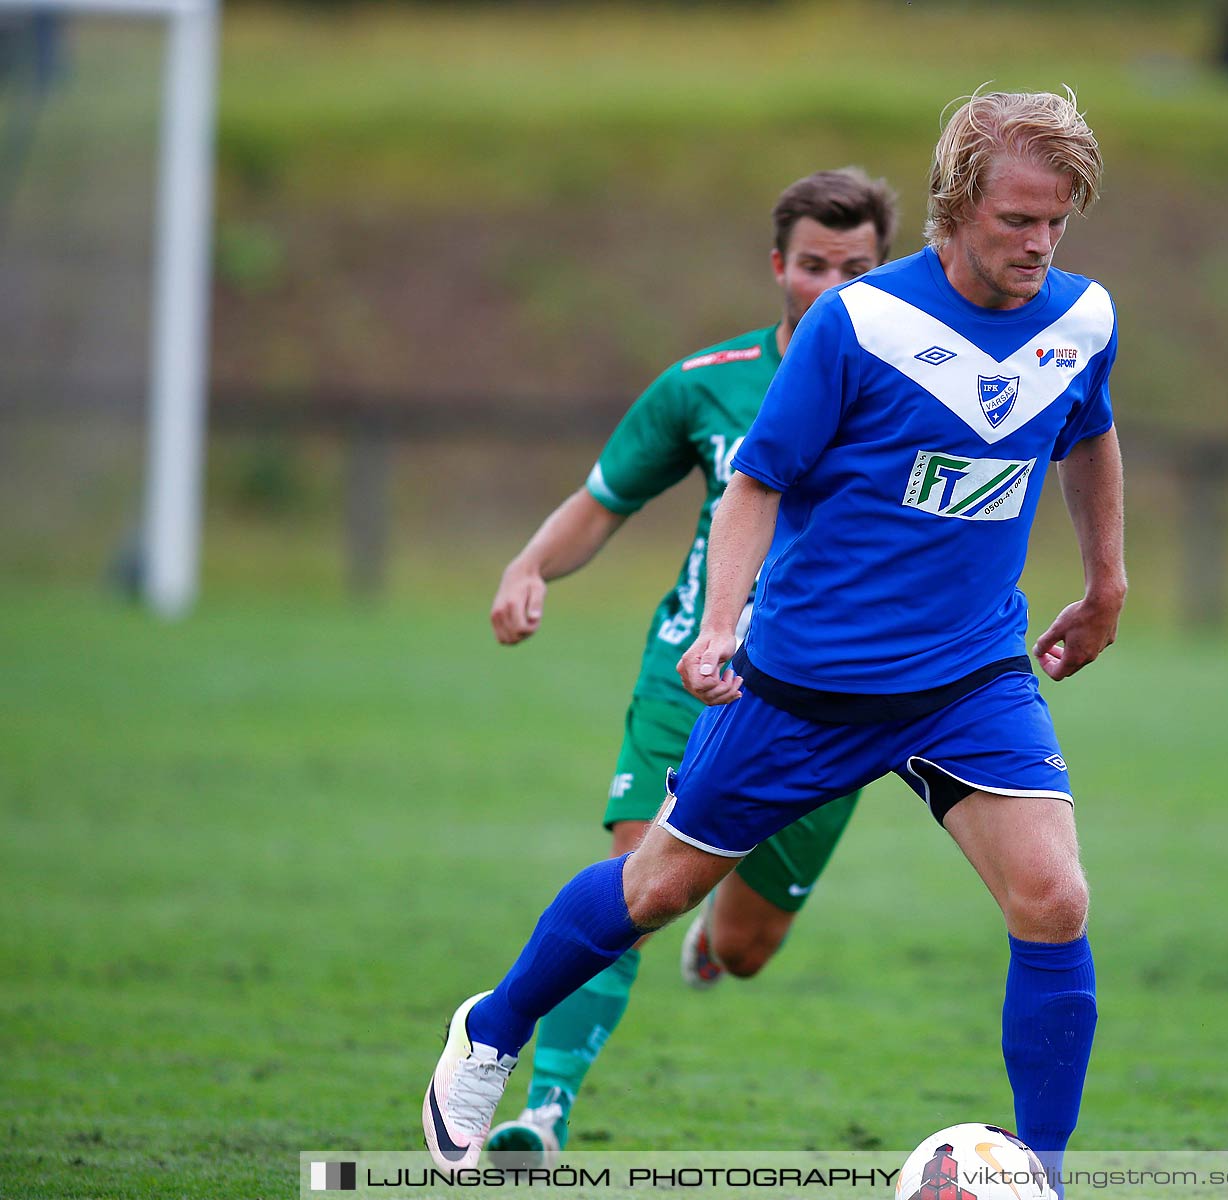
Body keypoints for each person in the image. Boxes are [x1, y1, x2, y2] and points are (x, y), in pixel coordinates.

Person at [423, 90, 1124, 1184]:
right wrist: (716, 632)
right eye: (1016, 221)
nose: (1040, 245)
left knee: (1055, 897)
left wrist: (1107, 583)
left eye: (1058, 223)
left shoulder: (1082, 318)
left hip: (971, 675)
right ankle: (491, 1035)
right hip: (804, 682)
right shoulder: (860, 326)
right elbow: (755, 483)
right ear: (954, 206)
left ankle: (1042, 1169)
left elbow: (1090, 435)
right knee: (654, 890)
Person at [476, 167, 900, 1165]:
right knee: (635, 874)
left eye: (858, 268)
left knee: (747, 952)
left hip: (833, 697)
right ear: (776, 267)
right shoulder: (707, 383)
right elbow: (604, 497)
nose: (833, 288)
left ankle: (719, 933)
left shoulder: (923, 389)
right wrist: (531, 562)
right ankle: (544, 1108)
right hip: (695, 667)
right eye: (812, 266)